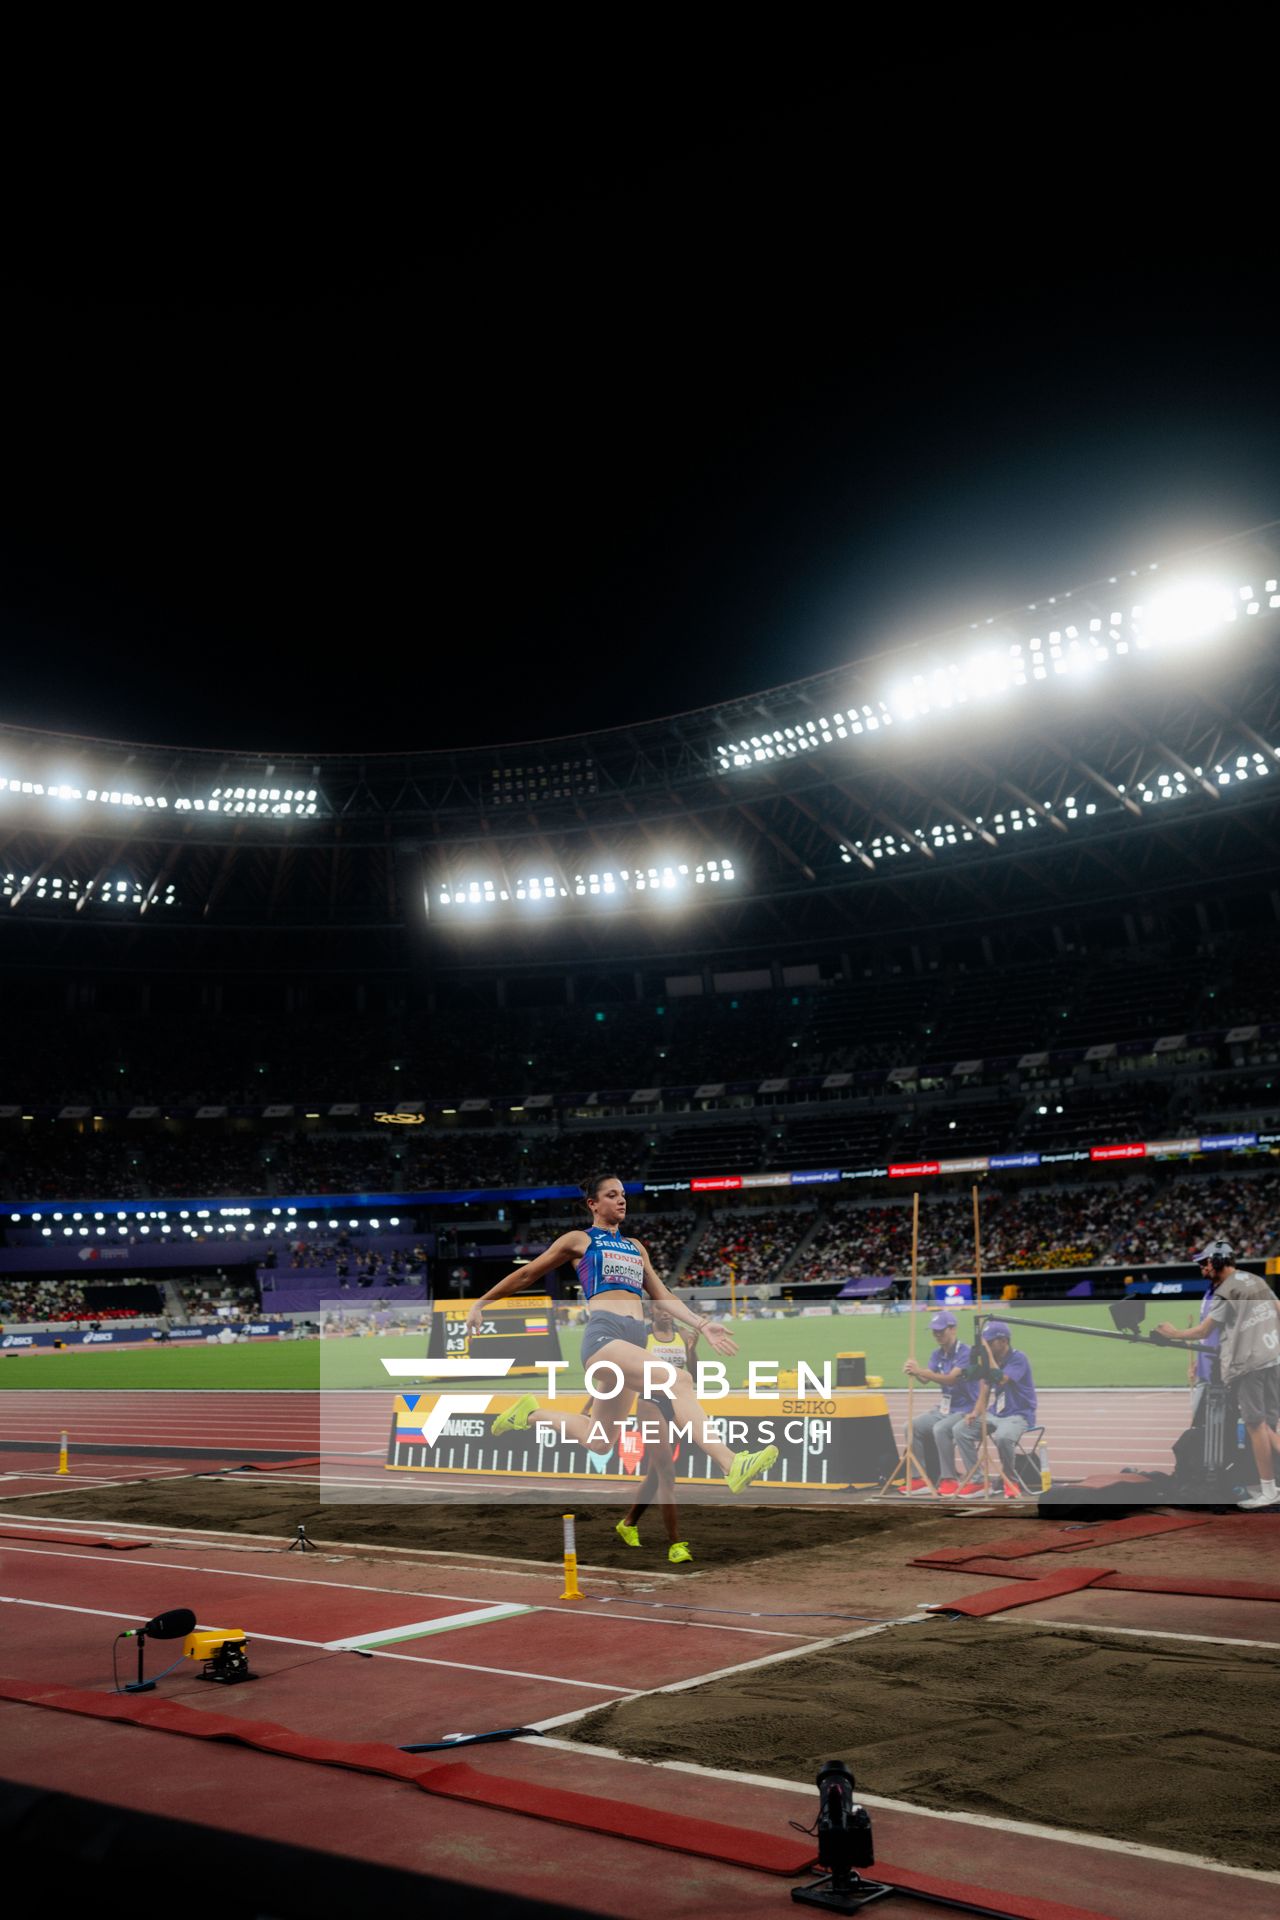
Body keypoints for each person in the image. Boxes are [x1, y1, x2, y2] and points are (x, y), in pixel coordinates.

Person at [463, 1174, 778, 1492]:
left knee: (598, 1440)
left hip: (632, 1342)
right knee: (678, 1380)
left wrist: (701, 1324)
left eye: (622, 1194)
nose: (621, 1200)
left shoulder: (635, 1247)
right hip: (604, 1338)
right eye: (612, 1195)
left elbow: (662, 1295)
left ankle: (529, 1413)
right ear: (593, 1204)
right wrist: (481, 1303)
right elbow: (528, 1272)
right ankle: (730, 1462)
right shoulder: (579, 1241)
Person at [1156, 1240, 1280, 1510]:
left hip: (1248, 1366)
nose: (1202, 1268)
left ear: (1218, 1262)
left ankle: (1269, 1491)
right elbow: (1278, 1310)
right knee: (1268, 1426)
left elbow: (1203, 1331)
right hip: (1271, 1359)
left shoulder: (1226, 1291)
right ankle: (1271, 1486)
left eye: (1205, 1263)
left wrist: (1172, 1332)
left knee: (1256, 1426)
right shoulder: (1254, 1280)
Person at [616, 1306, 702, 1562]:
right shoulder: (643, 1337)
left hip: (675, 1404)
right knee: (666, 1473)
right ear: (652, 1311)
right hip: (650, 1403)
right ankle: (675, 1544)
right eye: (660, 1309)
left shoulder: (683, 1335)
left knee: (656, 1473)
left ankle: (628, 1523)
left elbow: (694, 1375)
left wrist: (691, 1350)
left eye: (668, 1310)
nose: (666, 1313)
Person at [953, 1319, 1037, 1498]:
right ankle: (977, 1480)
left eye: (990, 1343)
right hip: (996, 1413)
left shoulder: (1018, 1358)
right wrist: (975, 1413)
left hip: (1019, 1414)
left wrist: (987, 1357)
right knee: (960, 1429)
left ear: (1004, 1341)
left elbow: (1001, 1378)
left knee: (1003, 1436)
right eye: (985, 1343)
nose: (987, 1347)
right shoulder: (990, 1361)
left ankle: (1010, 1479)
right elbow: (984, 1390)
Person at [902, 1310, 979, 1494]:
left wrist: (922, 1372)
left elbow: (951, 1379)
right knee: (910, 1426)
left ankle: (949, 1478)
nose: (936, 1334)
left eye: (940, 1330)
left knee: (940, 1429)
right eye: (934, 1331)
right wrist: (914, 1371)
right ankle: (918, 1477)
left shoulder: (966, 1352)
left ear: (953, 1329)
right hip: (946, 1408)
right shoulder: (936, 1354)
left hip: (967, 1407)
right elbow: (926, 1379)